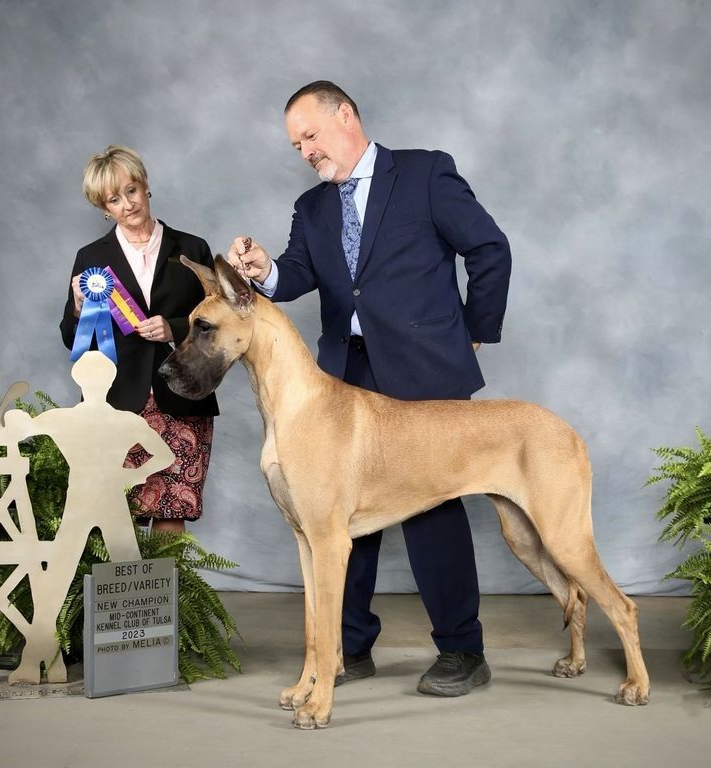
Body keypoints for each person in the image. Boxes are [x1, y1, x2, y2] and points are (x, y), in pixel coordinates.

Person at [228, 81, 511, 697]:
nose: (305, 150)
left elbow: (490, 248)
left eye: (310, 135)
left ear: (346, 115)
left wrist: (474, 331)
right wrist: (264, 270)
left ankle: (462, 650)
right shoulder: (312, 207)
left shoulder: (426, 173)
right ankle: (346, 648)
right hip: (344, 376)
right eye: (296, 144)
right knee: (335, 516)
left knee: (435, 513)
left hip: (426, 375)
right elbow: (295, 274)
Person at [60, 145, 219, 536]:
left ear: (146, 186)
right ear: (104, 209)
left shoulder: (192, 248)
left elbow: (218, 322)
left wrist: (175, 328)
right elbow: (72, 340)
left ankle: (167, 582)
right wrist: (79, 308)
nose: (127, 204)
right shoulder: (90, 257)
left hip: (182, 394)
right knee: (117, 514)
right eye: (114, 199)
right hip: (116, 402)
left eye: (131, 191)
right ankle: (125, 583)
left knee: (172, 511)